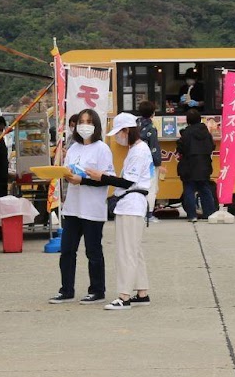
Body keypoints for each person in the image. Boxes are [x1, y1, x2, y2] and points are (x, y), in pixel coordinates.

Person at [49, 109, 113, 304]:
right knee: (67, 250)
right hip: (73, 207)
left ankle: (97, 290)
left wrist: (82, 180)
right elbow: (69, 173)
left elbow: (107, 179)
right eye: (81, 121)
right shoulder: (74, 148)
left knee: (93, 251)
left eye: (89, 121)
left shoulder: (102, 149)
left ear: (96, 125)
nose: (84, 125)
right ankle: (66, 290)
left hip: (92, 209)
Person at [98, 113, 155, 310]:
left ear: (126, 131)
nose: (117, 137)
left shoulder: (138, 150)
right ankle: (142, 291)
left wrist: (102, 177)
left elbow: (128, 181)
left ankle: (124, 296)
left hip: (131, 204)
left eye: (119, 133)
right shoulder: (136, 149)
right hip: (131, 204)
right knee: (134, 250)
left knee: (126, 252)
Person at [176, 111, 218, 222]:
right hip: (204, 165)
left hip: (188, 165)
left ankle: (192, 215)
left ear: (187, 120)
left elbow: (181, 148)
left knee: (189, 189)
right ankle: (209, 214)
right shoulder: (206, 133)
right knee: (205, 189)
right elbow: (212, 147)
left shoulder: (186, 133)